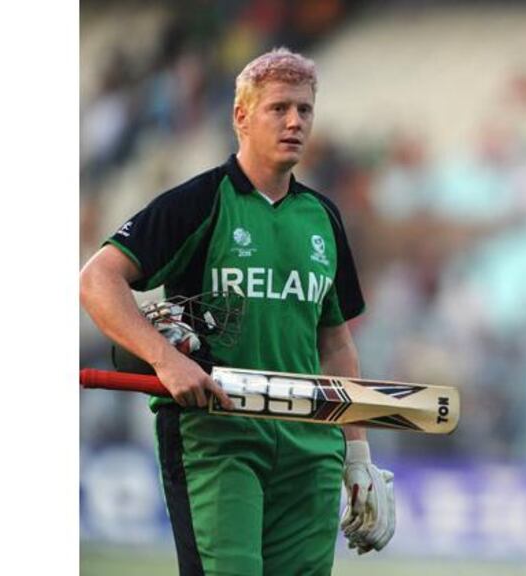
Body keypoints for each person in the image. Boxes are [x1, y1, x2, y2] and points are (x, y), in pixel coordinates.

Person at [79, 47, 394, 575]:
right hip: (218, 441)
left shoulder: (324, 217)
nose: (295, 121)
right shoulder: (198, 202)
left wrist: (357, 453)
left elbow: (335, 344)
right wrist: (166, 359)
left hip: (310, 448)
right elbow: (97, 279)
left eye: (305, 109)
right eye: (278, 108)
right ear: (241, 117)